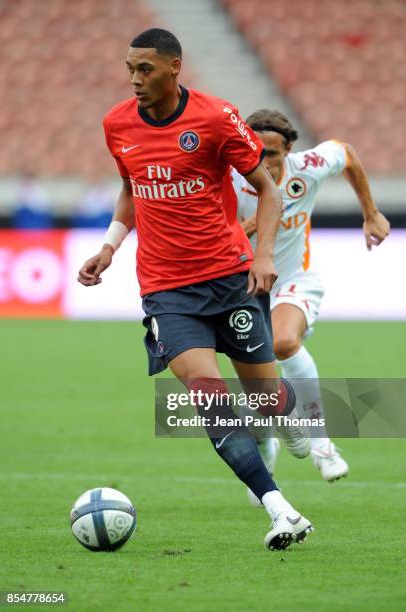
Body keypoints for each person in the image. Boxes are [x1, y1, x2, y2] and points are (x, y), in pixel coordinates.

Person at [77, 29, 313, 550]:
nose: (135, 79)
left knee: (267, 401)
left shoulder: (214, 117)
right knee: (212, 402)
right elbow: (130, 189)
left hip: (230, 278)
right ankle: (280, 510)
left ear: (175, 67)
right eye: (130, 68)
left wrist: (265, 255)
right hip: (167, 290)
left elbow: (268, 189)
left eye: (146, 69)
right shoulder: (117, 123)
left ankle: (291, 417)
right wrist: (111, 247)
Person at [231, 109, 390, 486]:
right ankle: (265, 448)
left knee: (284, 342)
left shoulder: (308, 167)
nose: (263, 161)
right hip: (243, 287)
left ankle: (322, 444)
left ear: (288, 151)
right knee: (261, 388)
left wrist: (370, 212)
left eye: (272, 154)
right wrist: (255, 223)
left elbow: (347, 152)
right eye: (255, 151)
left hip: (294, 280)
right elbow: (216, 236)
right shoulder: (229, 179)